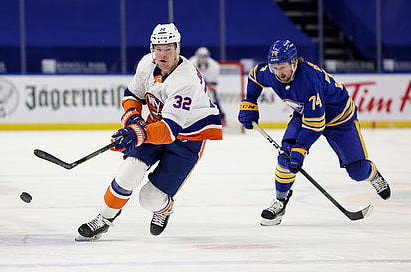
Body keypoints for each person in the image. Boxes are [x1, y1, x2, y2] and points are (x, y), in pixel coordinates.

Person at [76, 23, 223, 241]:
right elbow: (131, 95)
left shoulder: (185, 81)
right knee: (129, 170)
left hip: (188, 138)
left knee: (150, 199)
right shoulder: (147, 63)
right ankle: (104, 219)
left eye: (169, 49)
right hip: (157, 126)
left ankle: (164, 209)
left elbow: (169, 130)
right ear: (152, 48)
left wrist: (135, 133)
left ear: (178, 49)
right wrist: (133, 120)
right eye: (158, 48)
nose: (163, 54)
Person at [238, 39, 391, 226]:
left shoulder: (308, 82)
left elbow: (315, 126)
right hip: (305, 115)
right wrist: (250, 101)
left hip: (340, 119)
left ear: (294, 62)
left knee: (357, 171)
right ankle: (280, 200)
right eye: (275, 67)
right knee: (285, 156)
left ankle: (373, 175)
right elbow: (254, 75)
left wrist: (301, 149)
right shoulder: (271, 74)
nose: (279, 73)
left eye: (283, 67)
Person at [189, 47, 226, 125]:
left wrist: (208, 86)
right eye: (200, 56)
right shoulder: (191, 63)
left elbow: (214, 83)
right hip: (195, 86)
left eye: (204, 56)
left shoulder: (215, 66)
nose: (202, 59)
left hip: (208, 87)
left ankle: (220, 117)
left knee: (213, 99)